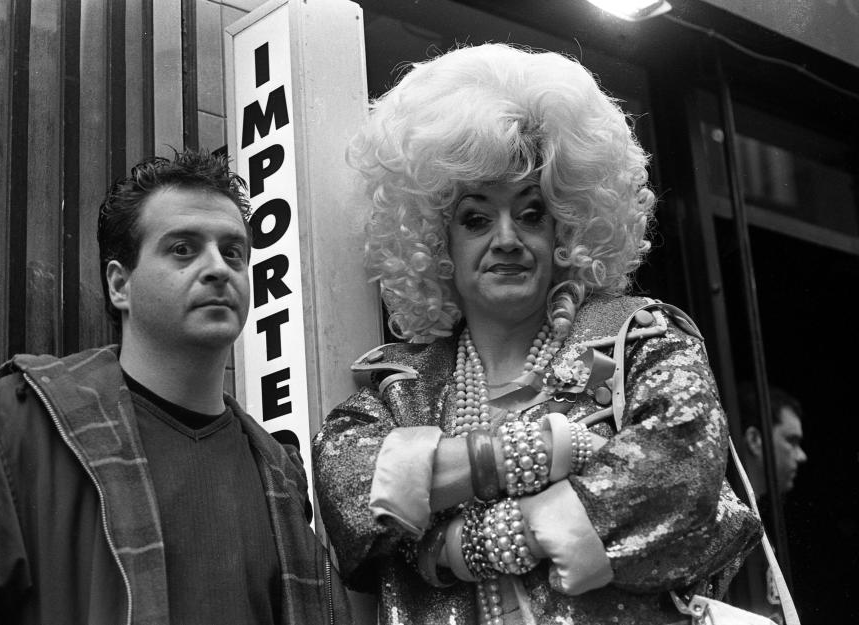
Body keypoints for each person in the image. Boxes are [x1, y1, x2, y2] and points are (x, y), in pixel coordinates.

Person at [313, 44, 761, 624]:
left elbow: (680, 478)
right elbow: (352, 489)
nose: (505, 238)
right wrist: (535, 452)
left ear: (566, 229)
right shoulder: (403, 386)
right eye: (476, 218)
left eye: (530, 214)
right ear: (435, 243)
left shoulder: (640, 341)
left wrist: (469, 541)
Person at [0, 149, 348, 625]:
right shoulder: (6, 431)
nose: (218, 267)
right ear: (120, 284)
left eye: (233, 251)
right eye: (183, 248)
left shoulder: (278, 474)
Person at [734, 383, 807, 622]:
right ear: (755, 439)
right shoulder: (733, 526)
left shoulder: (753, 522)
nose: (801, 456)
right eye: (791, 441)